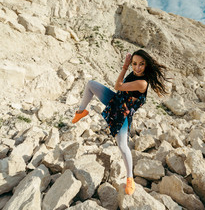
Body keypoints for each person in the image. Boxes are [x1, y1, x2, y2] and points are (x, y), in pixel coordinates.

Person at [71, 49, 169, 195]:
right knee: (91, 84)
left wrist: (125, 67)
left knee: (123, 146)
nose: (137, 67)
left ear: (146, 65)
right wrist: (127, 67)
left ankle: (130, 179)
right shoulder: (134, 74)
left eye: (141, 64)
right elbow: (119, 89)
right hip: (114, 101)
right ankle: (81, 112)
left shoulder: (142, 83)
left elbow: (118, 86)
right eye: (134, 64)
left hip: (122, 114)